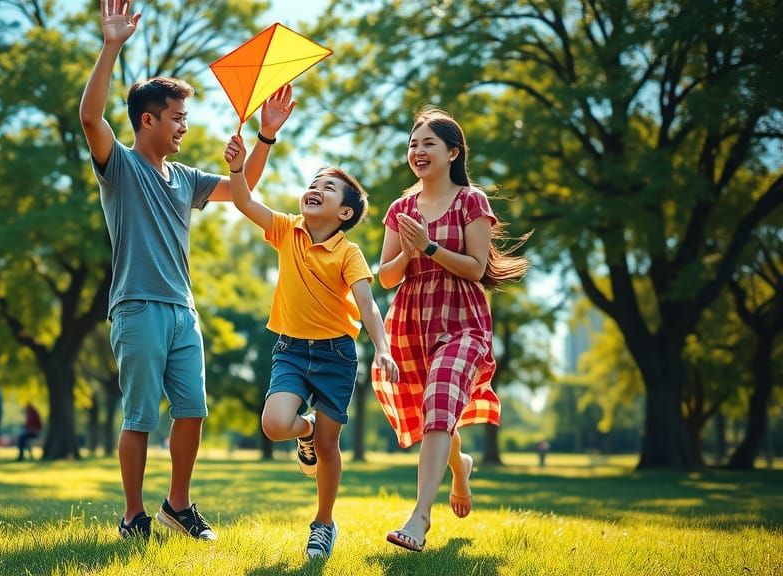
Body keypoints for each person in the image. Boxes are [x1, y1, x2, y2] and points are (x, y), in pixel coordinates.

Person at [78, 0, 293, 541]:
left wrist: (262, 141)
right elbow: (90, 117)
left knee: (193, 412)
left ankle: (178, 505)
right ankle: (133, 515)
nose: (183, 128)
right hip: (137, 308)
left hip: (183, 312)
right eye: (177, 119)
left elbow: (241, 191)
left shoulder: (184, 178)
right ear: (147, 119)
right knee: (141, 418)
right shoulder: (119, 167)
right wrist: (112, 46)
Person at [223, 134, 399, 559]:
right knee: (275, 425)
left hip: (336, 355)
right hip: (290, 350)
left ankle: (323, 523)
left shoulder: (349, 253)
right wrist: (235, 169)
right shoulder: (287, 229)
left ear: (344, 212)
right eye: (314, 182)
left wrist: (383, 348)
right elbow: (244, 203)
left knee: (328, 446)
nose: (315, 188)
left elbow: (368, 306)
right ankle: (304, 433)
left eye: (329, 186)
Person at [374, 107, 529, 552]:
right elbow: (386, 276)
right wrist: (408, 253)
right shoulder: (400, 208)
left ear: (453, 152)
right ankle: (459, 467)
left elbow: (477, 267)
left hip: (462, 319)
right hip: (411, 320)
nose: (417, 151)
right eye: (412, 144)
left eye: (428, 144)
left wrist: (429, 245)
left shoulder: (471, 200)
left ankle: (419, 517)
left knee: (440, 399)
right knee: (434, 411)